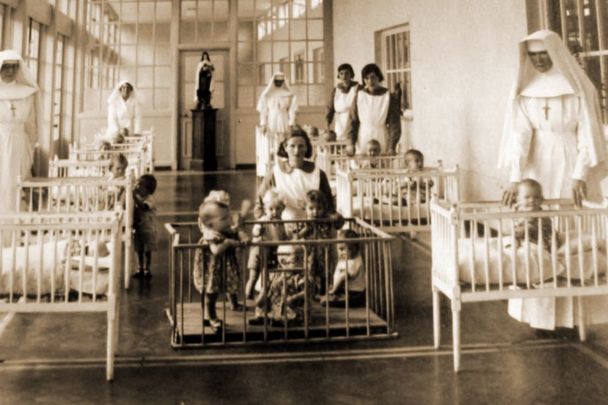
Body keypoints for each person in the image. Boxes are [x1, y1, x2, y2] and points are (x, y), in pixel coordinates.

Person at [499, 30, 608, 331]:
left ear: (556, 54)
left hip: (571, 163)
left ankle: (574, 320)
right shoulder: (526, 90)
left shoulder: (577, 89)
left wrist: (579, 175)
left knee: (568, 232)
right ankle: (538, 316)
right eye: (533, 57)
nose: (539, 61)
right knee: (535, 232)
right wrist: (514, 176)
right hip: (537, 166)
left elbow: (586, 133)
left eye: (544, 55)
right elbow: (520, 137)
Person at [255, 127, 335, 221]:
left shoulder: (318, 174)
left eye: (301, 146)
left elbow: (329, 204)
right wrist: (261, 222)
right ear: (285, 147)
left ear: (306, 148)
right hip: (282, 226)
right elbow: (259, 202)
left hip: (312, 226)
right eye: (292, 146)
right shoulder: (275, 173)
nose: (297, 151)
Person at [193, 199, 249, 332]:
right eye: (224, 218)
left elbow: (236, 230)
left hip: (218, 269)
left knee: (213, 293)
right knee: (210, 295)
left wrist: (243, 235)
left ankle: (209, 316)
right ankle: (212, 318)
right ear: (210, 224)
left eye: (228, 216)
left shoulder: (221, 229)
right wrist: (229, 243)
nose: (229, 220)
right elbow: (215, 250)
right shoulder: (211, 233)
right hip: (211, 271)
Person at [0, 50, 40, 218]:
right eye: (6, 67)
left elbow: (30, 124)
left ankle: (13, 229)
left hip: (19, 144)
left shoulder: (27, 93)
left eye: (13, 67)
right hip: (1, 142)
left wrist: (30, 146)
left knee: (15, 185)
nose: (10, 71)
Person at [346, 63, 401, 155]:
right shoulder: (359, 96)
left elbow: (394, 123)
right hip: (363, 135)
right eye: (366, 78)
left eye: (373, 77)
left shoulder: (388, 96)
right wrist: (350, 143)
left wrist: (392, 146)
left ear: (379, 77)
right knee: (362, 164)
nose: (370, 81)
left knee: (381, 164)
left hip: (381, 135)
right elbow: (352, 121)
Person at [245, 190, 288, 299]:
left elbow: (283, 236)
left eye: (278, 209)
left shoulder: (281, 223)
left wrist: (287, 240)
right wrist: (258, 232)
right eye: (271, 209)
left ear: (283, 209)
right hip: (259, 250)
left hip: (272, 251)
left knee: (267, 274)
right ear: (265, 209)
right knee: (253, 275)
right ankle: (248, 294)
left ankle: (265, 296)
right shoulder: (263, 220)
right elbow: (255, 230)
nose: (274, 212)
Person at [256, 72, 298, 177]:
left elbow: (292, 111)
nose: (279, 83)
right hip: (271, 120)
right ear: (273, 81)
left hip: (283, 120)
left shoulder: (289, 94)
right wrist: (263, 124)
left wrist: (291, 123)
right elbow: (264, 111)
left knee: (283, 143)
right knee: (271, 144)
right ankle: (270, 170)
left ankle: (284, 169)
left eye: (281, 81)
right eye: (277, 81)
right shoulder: (267, 94)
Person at [321, 229, 366, 307]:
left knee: (326, 302)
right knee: (328, 296)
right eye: (339, 249)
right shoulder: (347, 258)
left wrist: (333, 291)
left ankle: (332, 297)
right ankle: (331, 296)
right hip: (344, 291)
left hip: (354, 294)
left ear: (355, 249)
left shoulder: (354, 262)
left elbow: (343, 277)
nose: (341, 252)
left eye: (343, 249)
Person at [132, 174, 158, 280]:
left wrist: (133, 196)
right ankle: (140, 268)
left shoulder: (150, 199)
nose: (137, 187)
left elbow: (143, 207)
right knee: (139, 249)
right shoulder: (139, 197)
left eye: (140, 186)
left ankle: (147, 269)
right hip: (138, 228)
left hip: (148, 229)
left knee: (147, 250)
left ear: (148, 190)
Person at [326, 63, 359, 140]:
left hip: (353, 120)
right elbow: (330, 108)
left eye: (347, 73)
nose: (344, 76)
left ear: (351, 74)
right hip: (339, 121)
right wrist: (327, 123)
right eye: (341, 73)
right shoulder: (336, 90)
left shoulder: (357, 88)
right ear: (339, 75)